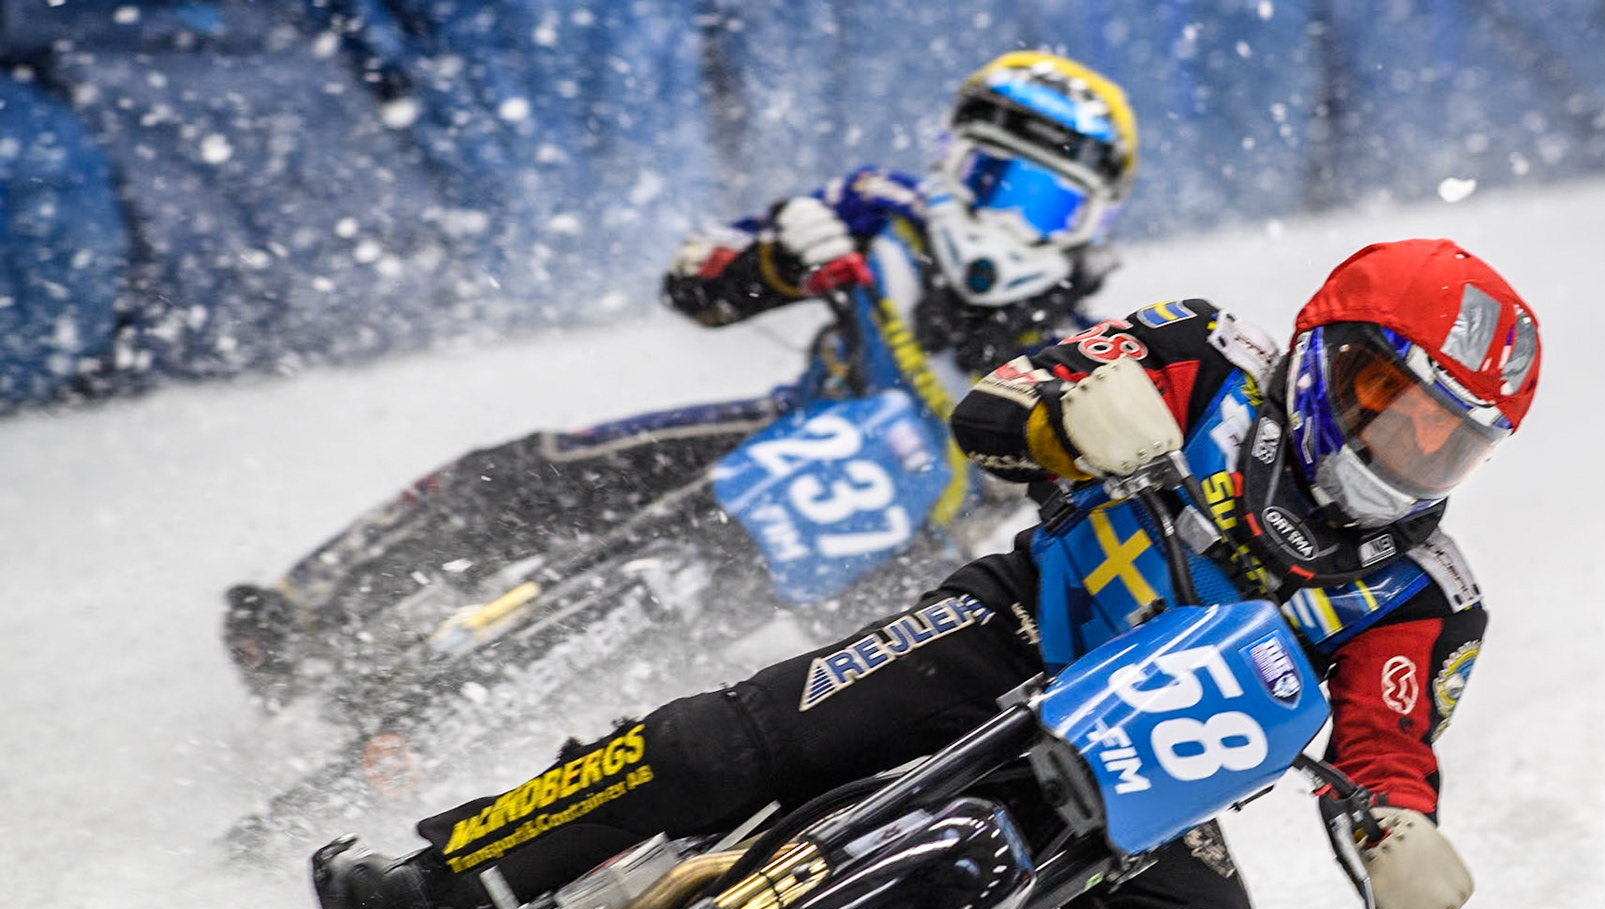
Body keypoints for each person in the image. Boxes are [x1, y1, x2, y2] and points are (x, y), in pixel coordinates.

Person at [314, 238, 1542, 909]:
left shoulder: (1428, 595)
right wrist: (1064, 419)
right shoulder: (1205, 348)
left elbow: (1386, 738)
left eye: (1450, 441)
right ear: (1328, 352)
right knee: (719, 744)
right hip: (1007, 626)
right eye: (1391, 396)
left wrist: (1395, 826)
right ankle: (444, 873)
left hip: (1151, 787)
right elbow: (992, 409)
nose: (1406, 447)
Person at [223, 51, 1139, 703]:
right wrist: (777, 259)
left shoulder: (1083, 347)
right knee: (528, 470)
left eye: (1048, 203)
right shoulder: (876, 209)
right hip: (778, 435)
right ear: (949, 162)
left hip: (909, 559)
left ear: (1089, 223)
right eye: (994, 181)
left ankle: (541, 753)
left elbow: (1096, 508)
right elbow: (694, 283)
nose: (1010, 225)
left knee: (766, 709)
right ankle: (309, 616)